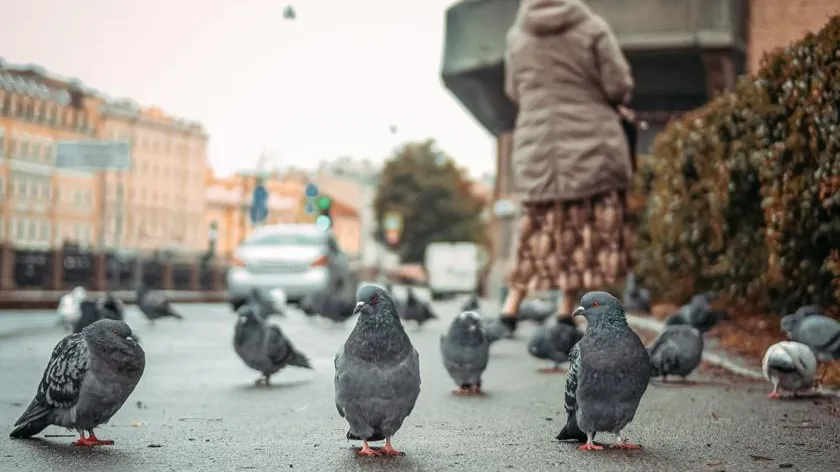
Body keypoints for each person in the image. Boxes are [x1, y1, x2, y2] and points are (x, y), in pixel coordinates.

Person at [489, 0, 636, 337]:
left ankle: (511, 306)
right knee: (582, 227)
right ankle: (565, 309)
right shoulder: (592, 27)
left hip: (537, 144)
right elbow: (618, 85)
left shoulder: (517, 36)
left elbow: (514, 90)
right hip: (591, 142)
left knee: (537, 228)